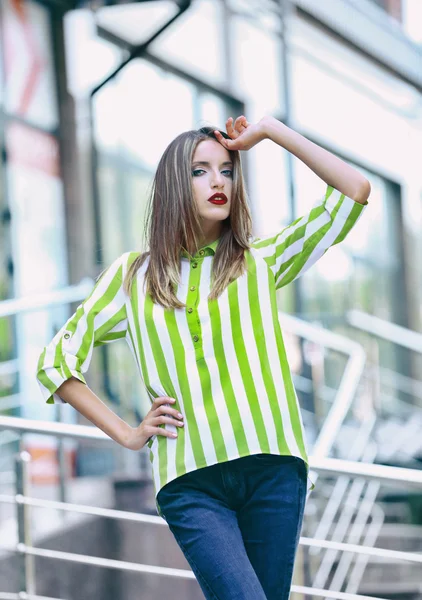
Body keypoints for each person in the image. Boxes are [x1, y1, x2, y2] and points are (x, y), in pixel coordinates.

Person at [36, 114, 370, 599]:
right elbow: (55, 362)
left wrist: (272, 132)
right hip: (190, 480)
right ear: (174, 183)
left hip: (273, 467)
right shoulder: (134, 277)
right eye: (200, 170)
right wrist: (128, 434)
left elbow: (353, 192)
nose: (219, 181)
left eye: (227, 170)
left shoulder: (260, 261)